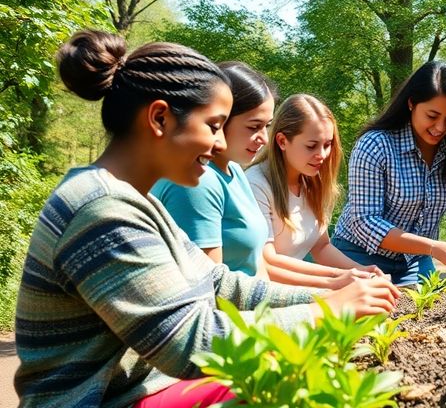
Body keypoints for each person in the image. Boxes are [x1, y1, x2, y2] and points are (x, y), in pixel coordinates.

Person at [15, 31, 399, 408]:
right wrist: (328, 311)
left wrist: (331, 297)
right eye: (214, 126)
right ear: (160, 118)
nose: (219, 144)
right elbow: (190, 343)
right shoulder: (100, 210)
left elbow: (219, 282)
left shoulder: (132, 200)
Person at [154, 63, 377, 289]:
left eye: (266, 126)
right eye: (254, 127)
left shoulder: (236, 174)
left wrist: (355, 275)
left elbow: (259, 267)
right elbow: (211, 289)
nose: (264, 138)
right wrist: (330, 291)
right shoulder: (199, 182)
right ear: (219, 121)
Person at [332, 61, 446, 285]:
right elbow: (365, 221)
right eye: (432, 116)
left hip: (416, 263)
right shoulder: (375, 145)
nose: (441, 127)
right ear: (411, 103)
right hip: (357, 257)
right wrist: (432, 247)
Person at [246, 93, 374, 282]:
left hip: (298, 290)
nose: (322, 155)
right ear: (282, 141)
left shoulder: (312, 182)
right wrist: (339, 278)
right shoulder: (256, 184)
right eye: (311, 146)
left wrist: (363, 271)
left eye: (327, 145)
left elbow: (321, 247)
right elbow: (268, 260)